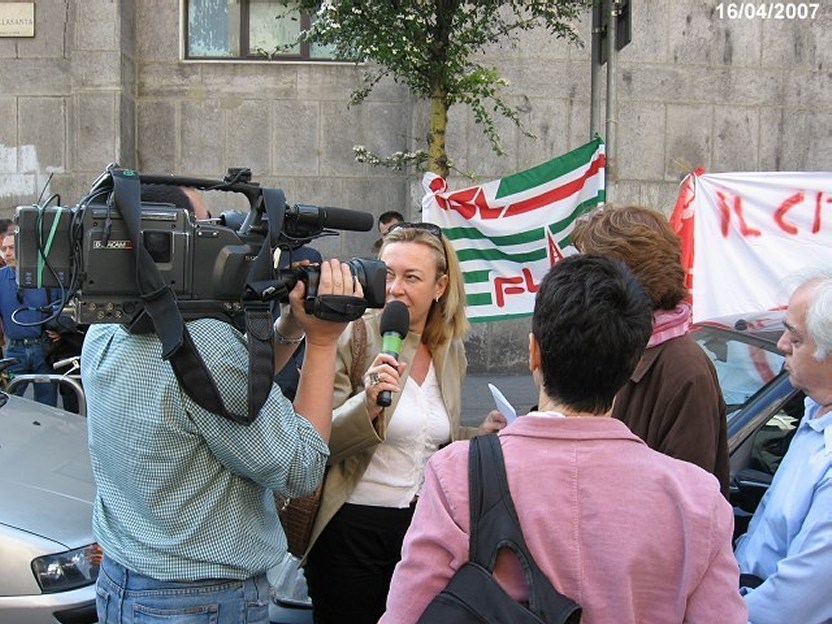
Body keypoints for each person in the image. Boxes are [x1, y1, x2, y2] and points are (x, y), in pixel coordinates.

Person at [381, 254, 747, 623]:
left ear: (534, 352)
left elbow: (406, 614)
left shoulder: (457, 472)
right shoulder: (698, 499)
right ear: (631, 363)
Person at [83, 259, 360, 624]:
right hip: (201, 601)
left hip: (122, 581)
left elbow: (228, 392)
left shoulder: (106, 325)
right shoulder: (206, 342)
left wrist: (289, 327)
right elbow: (301, 468)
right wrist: (323, 342)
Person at [303, 221, 505, 624]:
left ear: (440, 286)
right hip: (350, 532)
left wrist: (476, 435)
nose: (395, 288)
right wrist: (367, 405)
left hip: (421, 531)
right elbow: (313, 443)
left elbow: (429, 437)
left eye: (411, 277)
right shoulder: (350, 336)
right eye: (388, 274)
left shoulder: (451, 351)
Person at [572, 205, 730, 495]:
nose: (580, 285)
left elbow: (686, 500)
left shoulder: (685, 370)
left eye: (590, 274)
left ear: (627, 281)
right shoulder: (610, 344)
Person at [733, 267, 832, 624]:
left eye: (796, 338)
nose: (781, 345)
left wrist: (718, 612)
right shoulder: (813, 415)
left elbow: (795, 603)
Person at [0, 233, 59, 406]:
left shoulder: (45, 275)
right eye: (4, 249)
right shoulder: (1, 278)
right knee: (8, 405)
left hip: (44, 348)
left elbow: (62, 305)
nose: (7, 253)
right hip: (14, 350)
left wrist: (60, 330)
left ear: (24, 249)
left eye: (12, 248)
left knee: (46, 405)